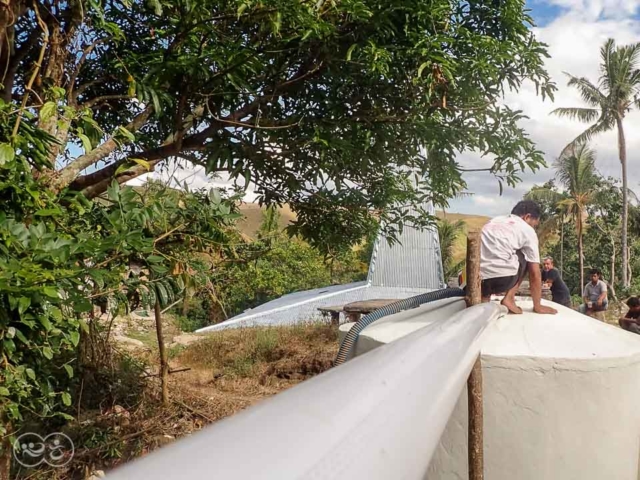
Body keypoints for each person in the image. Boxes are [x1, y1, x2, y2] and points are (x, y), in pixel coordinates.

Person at [480, 200, 557, 315]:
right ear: (527, 217)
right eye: (534, 225)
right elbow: (534, 272)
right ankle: (509, 298)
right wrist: (538, 306)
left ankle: (484, 297)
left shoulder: (494, 221)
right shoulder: (526, 229)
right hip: (502, 279)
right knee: (527, 256)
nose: (533, 228)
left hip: (478, 279)